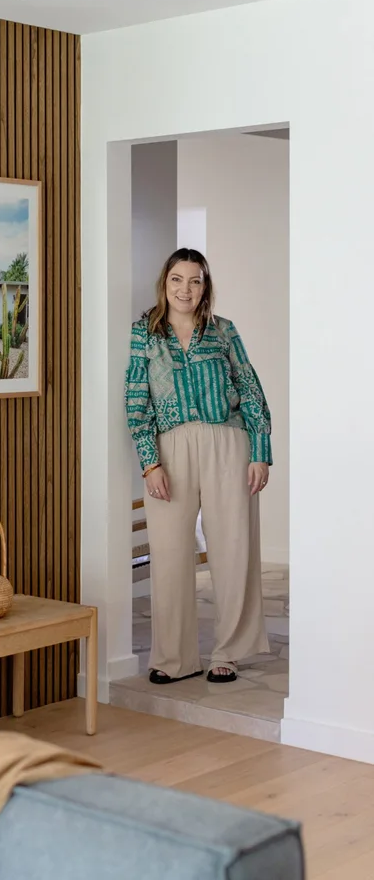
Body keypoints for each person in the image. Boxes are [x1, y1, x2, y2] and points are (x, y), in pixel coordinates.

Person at [125, 248, 271, 684]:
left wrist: (260, 451)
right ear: (164, 282)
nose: (185, 289)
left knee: (233, 546)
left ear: (205, 286)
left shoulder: (224, 331)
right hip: (170, 446)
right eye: (177, 279)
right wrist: (150, 464)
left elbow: (250, 389)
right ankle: (173, 658)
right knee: (169, 552)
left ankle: (229, 651)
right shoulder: (144, 333)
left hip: (228, 440)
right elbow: (136, 399)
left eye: (195, 280)